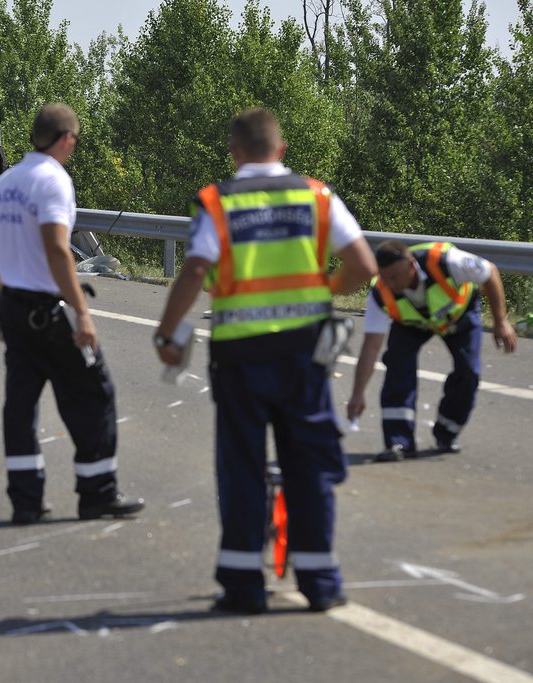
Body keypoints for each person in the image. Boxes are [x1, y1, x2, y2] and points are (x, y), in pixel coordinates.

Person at [153, 107, 377, 614]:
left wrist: (167, 331)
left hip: (240, 356)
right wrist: (323, 292)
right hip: (305, 353)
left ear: (234, 152)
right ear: (282, 150)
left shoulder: (218, 202)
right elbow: (362, 264)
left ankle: (242, 585)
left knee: (242, 467)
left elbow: (194, 270)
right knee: (309, 465)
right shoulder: (316, 196)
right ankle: (321, 582)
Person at [0, 103, 145, 525]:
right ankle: (98, 493)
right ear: (67, 138)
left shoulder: (7, 180)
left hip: (15, 306)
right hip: (50, 313)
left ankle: (25, 501)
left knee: (20, 405)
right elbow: (57, 249)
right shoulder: (54, 181)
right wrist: (82, 313)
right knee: (95, 394)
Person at [346, 240, 517, 461]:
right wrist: (358, 393)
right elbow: (370, 346)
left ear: (410, 264)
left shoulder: (445, 261)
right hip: (411, 324)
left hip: (458, 315)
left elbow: (489, 272)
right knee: (398, 366)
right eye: (385, 277)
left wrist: (500, 321)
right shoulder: (380, 293)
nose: (391, 284)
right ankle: (399, 442)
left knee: (468, 371)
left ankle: (447, 432)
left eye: (395, 276)